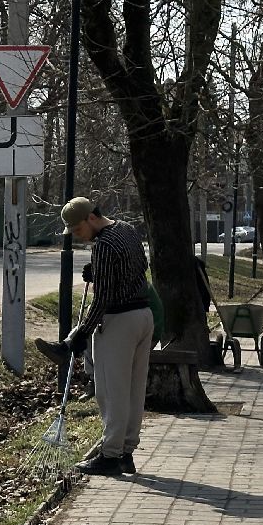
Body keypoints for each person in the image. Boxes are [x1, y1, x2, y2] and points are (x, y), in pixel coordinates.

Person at [35, 198, 152, 476]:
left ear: (90, 218)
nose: (77, 237)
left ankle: (110, 456)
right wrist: (100, 274)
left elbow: (102, 301)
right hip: (143, 316)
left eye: (77, 231)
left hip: (119, 321)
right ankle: (126, 452)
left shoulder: (103, 245)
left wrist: (83, 334)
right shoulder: (125, 229)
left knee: (111, 391)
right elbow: (140, 265)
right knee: (134, 391)